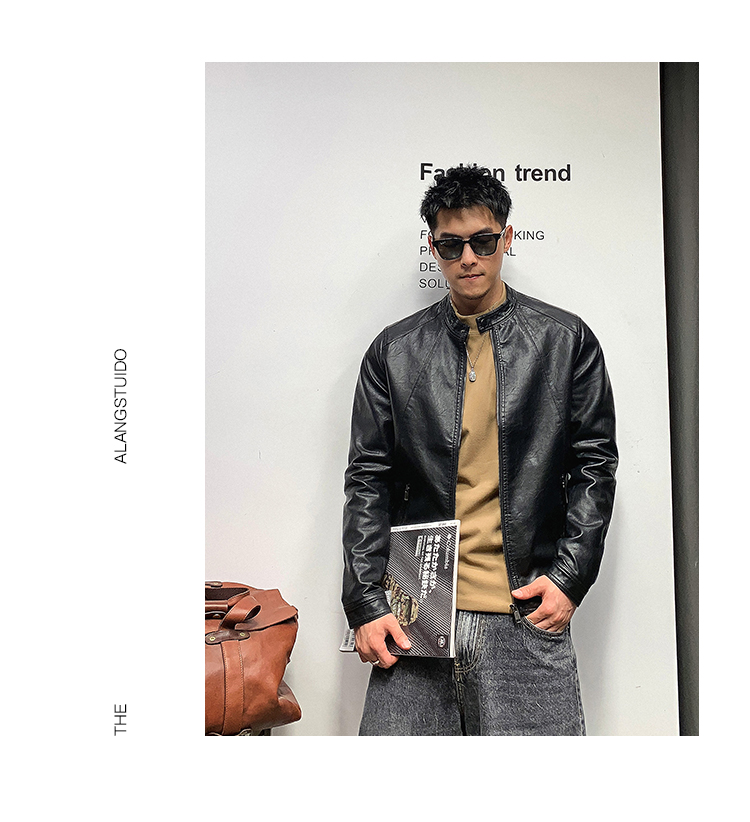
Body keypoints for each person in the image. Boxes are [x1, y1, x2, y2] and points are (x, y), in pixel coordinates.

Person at [341, 165, 617, 735]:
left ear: (506, 238)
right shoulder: (394, 350)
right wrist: (366, 602)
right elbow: (368, 479)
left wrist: (570, 577)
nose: (468, 258)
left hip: (525, 614)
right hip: (417, 616)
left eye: (483, 242)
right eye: (451, 245)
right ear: (434, 248)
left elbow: (595, 465)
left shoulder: (564, 340)